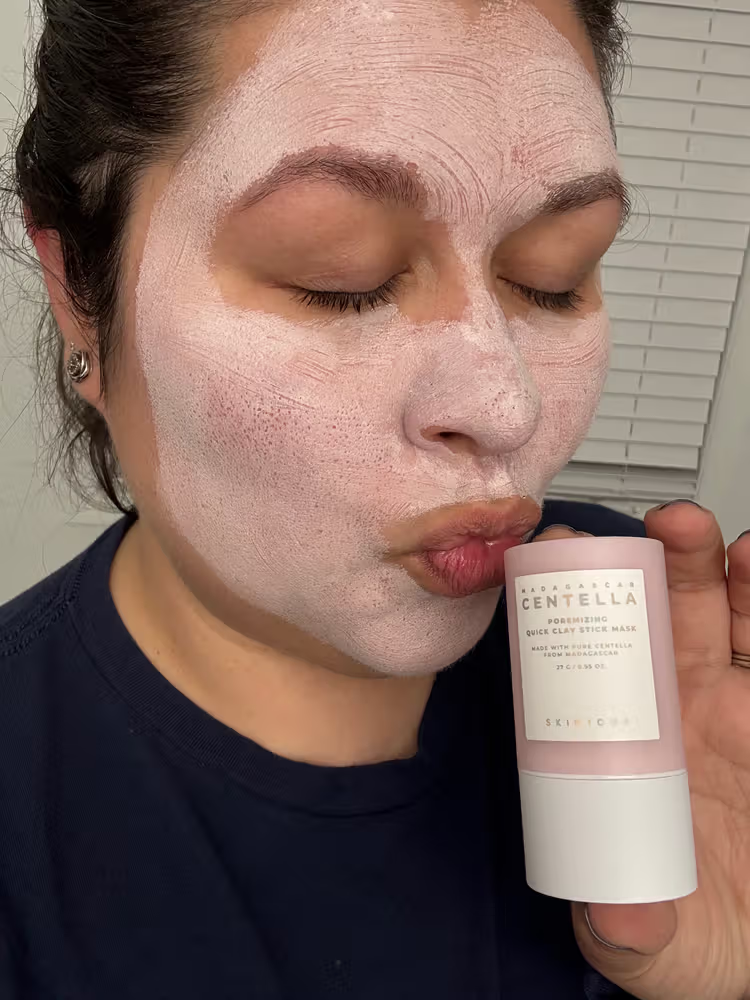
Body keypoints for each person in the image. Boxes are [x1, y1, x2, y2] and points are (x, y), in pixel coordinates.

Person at [1, 0, 749, 996]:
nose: (507, 407)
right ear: (77, 294)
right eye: (342, 280)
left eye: (555, 276)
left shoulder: (657, 649)